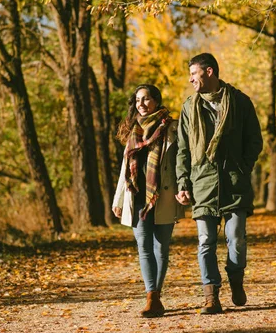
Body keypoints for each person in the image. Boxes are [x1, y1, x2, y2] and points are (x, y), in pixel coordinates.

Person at [176, 53, 263, 314]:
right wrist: (183, 182)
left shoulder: (240, 102)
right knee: (205, 241)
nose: (191, 79)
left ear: (209, 72)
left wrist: (241, 169)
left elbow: (254, 141)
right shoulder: (189, 107)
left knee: (235, 239)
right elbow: (183, 149)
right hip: (202, 184)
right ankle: (210, 295)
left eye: (194, 73)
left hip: (235, 186)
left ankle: (236, 280)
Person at [112, 84, 183, 318]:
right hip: (138, 197)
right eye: (138, 100)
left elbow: (182, 161)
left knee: (161, 248)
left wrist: (183, 188)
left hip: (163, 195)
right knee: (144, 247)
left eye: (146, 99)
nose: (141, 104)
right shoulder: (133, 130)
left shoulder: (171, 127)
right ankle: (151, 296)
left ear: (156, 101)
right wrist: (119, 197)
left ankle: (157, 295)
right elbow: (125, 167)